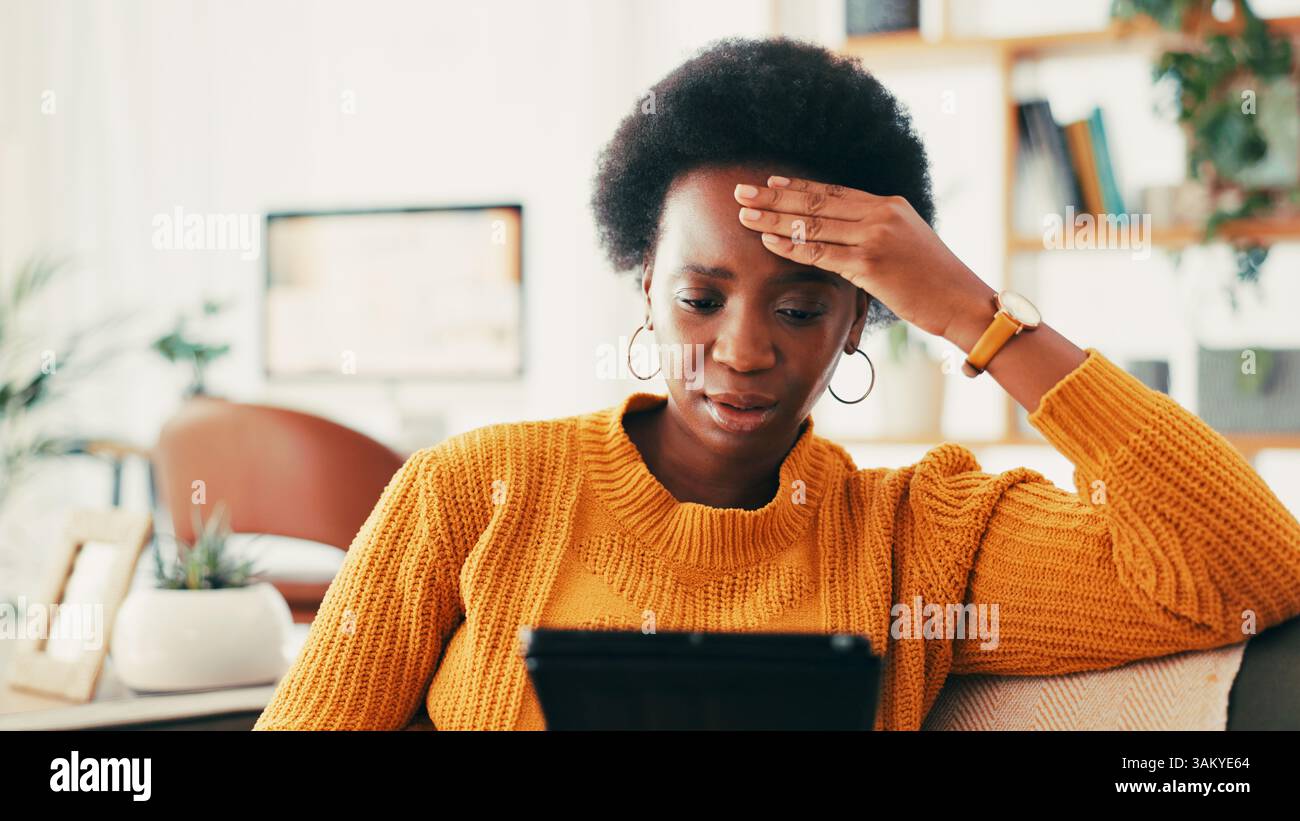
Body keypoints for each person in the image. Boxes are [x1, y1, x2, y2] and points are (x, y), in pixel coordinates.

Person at [253, 36, 1300, 731]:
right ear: (644, 287)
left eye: (800, 308)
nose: (744, 349)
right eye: (700, 297)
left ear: (858, 318)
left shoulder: (922, 536)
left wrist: (977, 315)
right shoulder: (471, 490)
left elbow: (1248, 572)